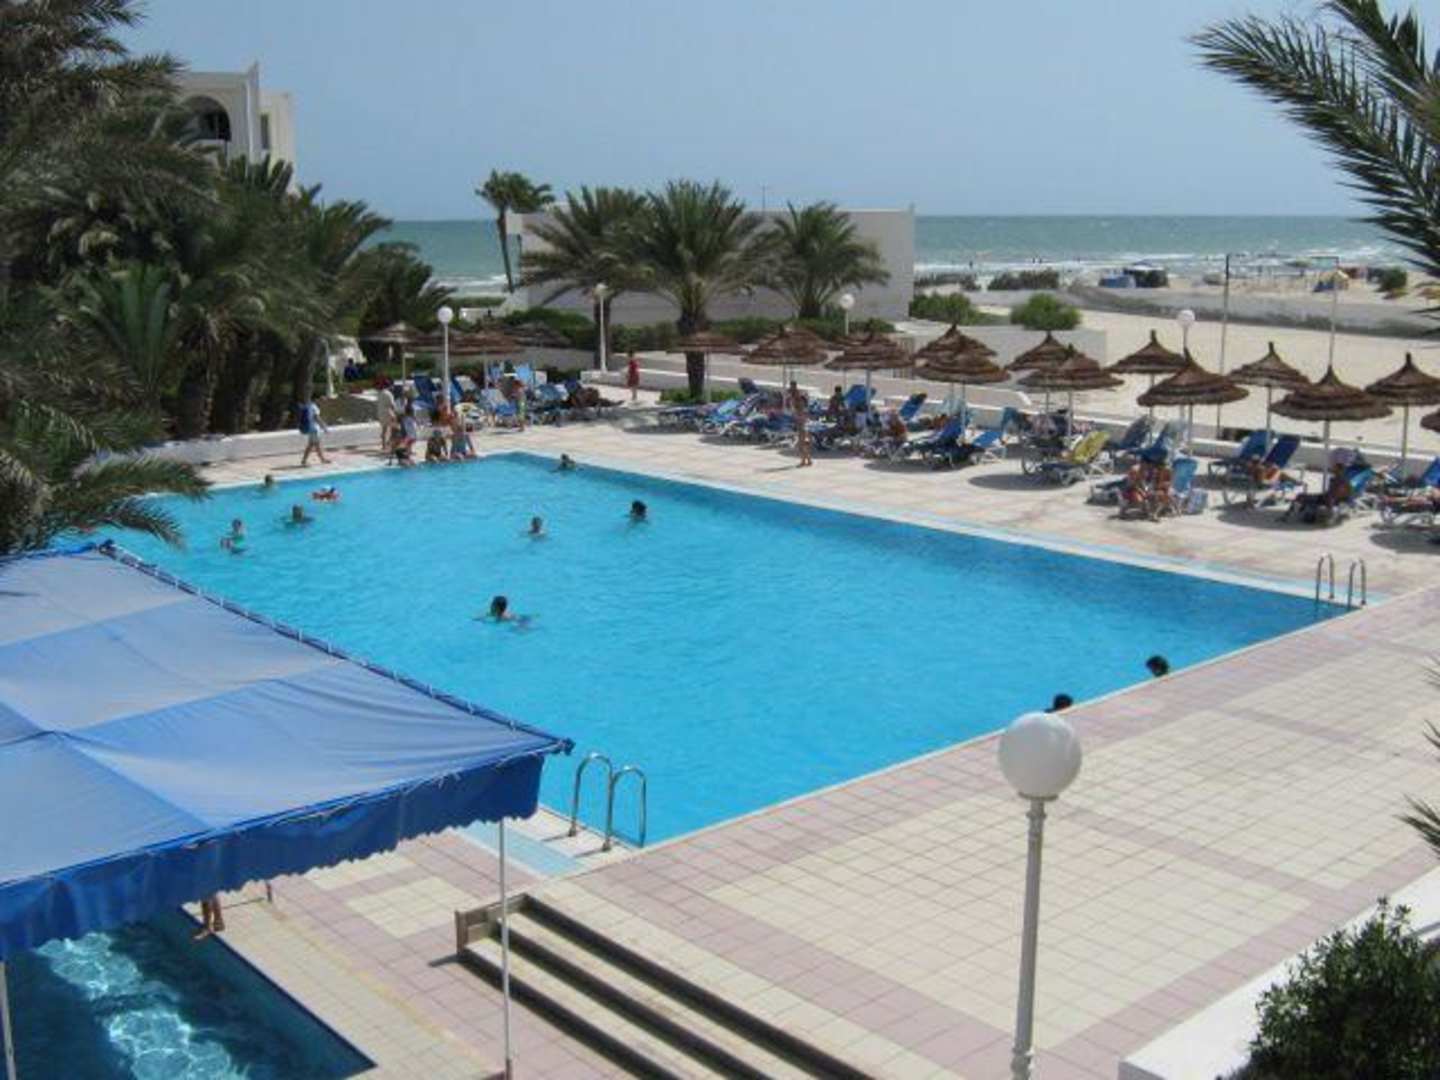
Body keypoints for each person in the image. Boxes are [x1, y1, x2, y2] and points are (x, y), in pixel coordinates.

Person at [298, 398, 329, 466]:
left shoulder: (309, 406)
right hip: (314, 429)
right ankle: (321, 459)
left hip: (311, 429)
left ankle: (306, 460)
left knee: (312, 445)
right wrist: (324, 427)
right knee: (316, 444)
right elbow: (317, 418)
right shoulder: (314, 407)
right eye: (321, 399)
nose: (323, 400)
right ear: (317, 399)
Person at [788, 380, 812, 467]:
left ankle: (803, 461)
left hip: (801, 425)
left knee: (801, 444)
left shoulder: (797, 400)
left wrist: (795, 411)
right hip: (803, 424)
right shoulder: (798, 398)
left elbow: (798, 412)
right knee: (804, 444)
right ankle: (808, 460)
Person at [375, 383, 397, 452]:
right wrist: (395, 413)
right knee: (393, 430)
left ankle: (383, 446)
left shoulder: (379, 394)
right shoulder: (389, 394)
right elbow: (392, 405)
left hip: (381, 413)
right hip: (388, 413)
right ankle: (390, 444)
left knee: (384, 430)